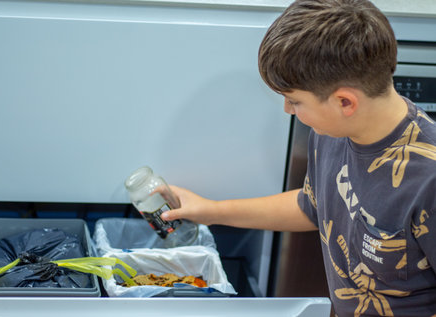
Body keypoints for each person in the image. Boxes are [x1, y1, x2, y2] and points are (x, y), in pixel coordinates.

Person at [161, 0, 436, 315]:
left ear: (344, 101)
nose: (288, 110)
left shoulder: (427, 179)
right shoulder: (333, 131)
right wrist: (210, 210)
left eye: (294, 101)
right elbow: (312, 205)